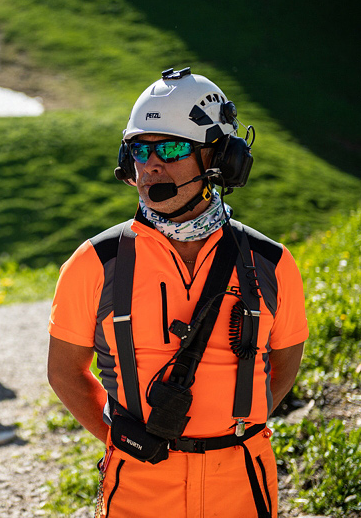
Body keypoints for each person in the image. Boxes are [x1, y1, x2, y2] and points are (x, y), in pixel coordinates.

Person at [47, 67, 308, 518]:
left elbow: (283, 362)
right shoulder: (93, 263)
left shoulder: (271, 262)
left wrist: (235, 426)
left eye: (169, 147)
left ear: (219, 158)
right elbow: (65, 373)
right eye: (139, 150)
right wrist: (124, 441)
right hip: (139, 487)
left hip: (243, 485)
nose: (151, 165)